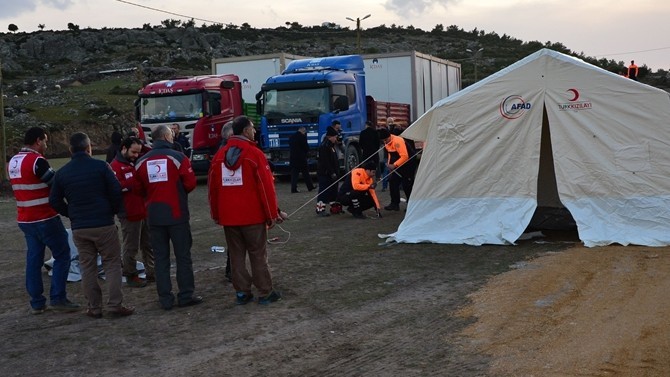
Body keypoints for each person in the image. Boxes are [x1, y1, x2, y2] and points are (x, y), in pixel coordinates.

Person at [49, 132, 133, 318]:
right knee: (112, 264)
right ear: (89, 148)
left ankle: (94, 307)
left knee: (87, 267)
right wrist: (111, 211)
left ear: (70, 150)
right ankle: (114, 305)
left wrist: (70, 212)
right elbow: (116, 191)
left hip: (80, 227)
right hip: (103, 223)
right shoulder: (101, 167)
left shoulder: (62, 173)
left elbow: (54, 200)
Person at [208, 116, 283, 305]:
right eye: (252, 128)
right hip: (252, 216)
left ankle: (242, 292)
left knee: (236, 255)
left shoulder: (219, 156)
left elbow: (212, 189)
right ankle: (265, 292)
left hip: (229, 216)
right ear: (245, 131)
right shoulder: (254, 154)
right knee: (258, 254)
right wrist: (271, 214)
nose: (255, 131)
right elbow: (266, 188)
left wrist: (217, 214)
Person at [8, 126, 80, 315]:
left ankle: (37, 302)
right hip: (44, 216)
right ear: (38, 140)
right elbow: (55, 184)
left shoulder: (13, 162)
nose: (46, 144)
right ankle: (58, 297)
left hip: (25, 218)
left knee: (34, 259)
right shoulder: (37, 161)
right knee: (62, 254)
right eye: (45, 141)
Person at [135, 125, 201, 310]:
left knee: (161, 259)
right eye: (171, 134)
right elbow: (190, 183)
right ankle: (186, 294)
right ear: (166, 136)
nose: (173, 137)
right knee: (183, 257)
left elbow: (139, 189)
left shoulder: (141, 162)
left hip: (154, 217)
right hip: (176, 215)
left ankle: (165, 298)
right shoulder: (178, 157)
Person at [110, 136, 155, 288]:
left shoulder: (136, 161)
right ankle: (130, 274)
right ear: (123, 148)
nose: (136, 155)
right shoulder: (115, 166)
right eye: (133, 152)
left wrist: (142, 146)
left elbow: (152, 151)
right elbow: (115, 188)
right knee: (131, 246)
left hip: (144, 210)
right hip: (129, 213)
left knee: (148, 244)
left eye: (138, 152)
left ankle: (152, 272)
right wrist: (134, 182)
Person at [379, 128, 416, 211]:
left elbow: (405, 156)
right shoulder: (386, 143)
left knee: (407, 185)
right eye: (383, 140)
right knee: (393, 182)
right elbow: (390, 155)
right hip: (398, 164)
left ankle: (411, 205)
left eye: (386, 139)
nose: (385, 142)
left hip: (409, 164)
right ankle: (394, 203)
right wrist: (389, 166)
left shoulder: (398, 141)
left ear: (389, 136)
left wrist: (394, 165)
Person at [316, 127, 341, 216]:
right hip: (325, 173)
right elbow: (326, 162)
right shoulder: (325, 146)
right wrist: (332, 172)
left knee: (333, 191)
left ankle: (334, 207)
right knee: (323, 191)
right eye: (334, 137)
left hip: (331, 173)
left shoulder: (331, 146)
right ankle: (320, 209)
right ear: (330, 137)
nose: (336, 139)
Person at [289, 126, 315, 193]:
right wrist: (308, 153)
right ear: (303, 131)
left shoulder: (291, 136)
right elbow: (306, 147)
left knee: (294, 174)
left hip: (293, 158)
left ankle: (293, 188)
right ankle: (310, 187)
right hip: (301, 158)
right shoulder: (303, 137)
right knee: (306, 173)